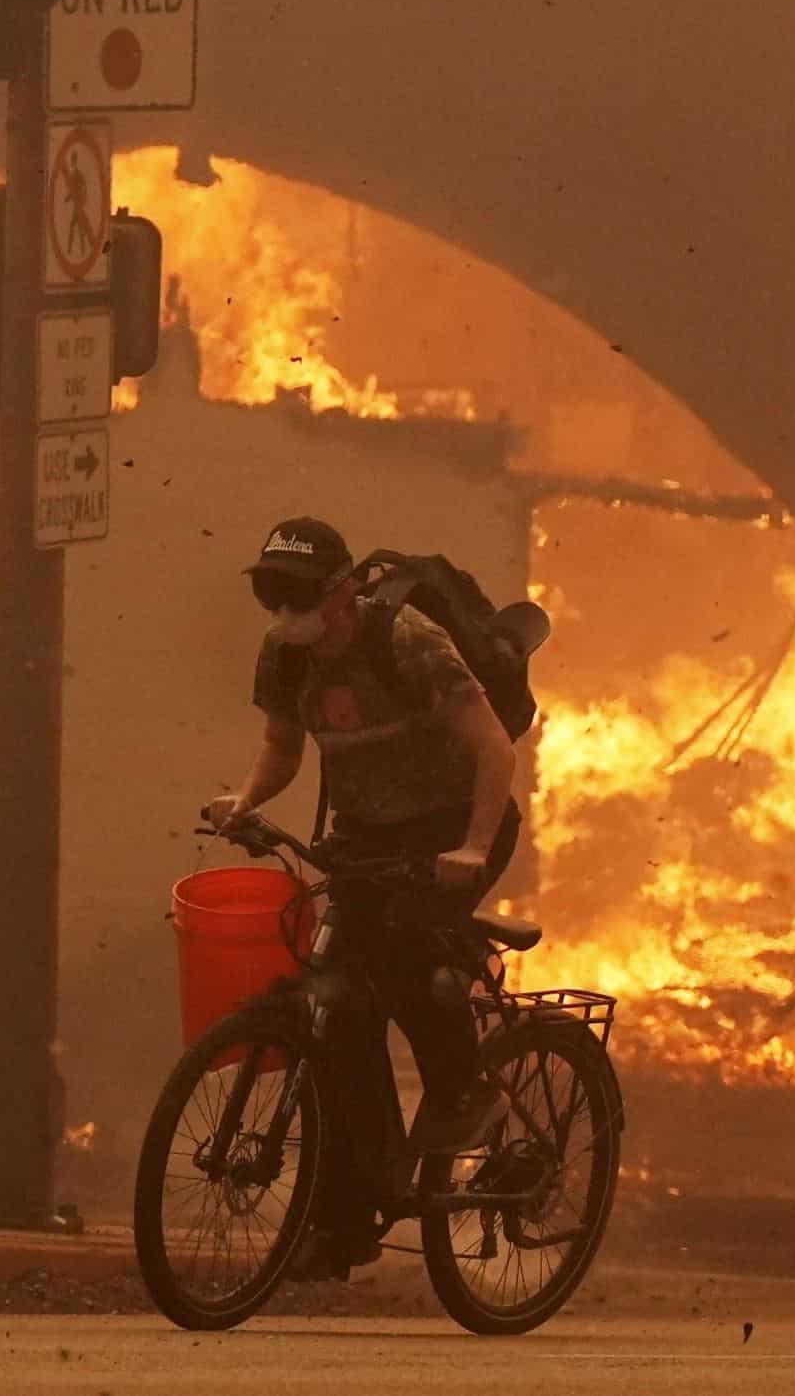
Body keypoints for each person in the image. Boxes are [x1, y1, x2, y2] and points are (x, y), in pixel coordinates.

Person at [201, 515, 522, 1277]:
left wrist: (471, 851)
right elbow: (282, 748)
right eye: (272, 596)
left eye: (298, 594)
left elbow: (494, 750)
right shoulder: (285, 656)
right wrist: (246, 800)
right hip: (366, 833)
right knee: (339, 1020)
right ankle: (349, 1218)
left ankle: (465, 1092)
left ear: (343, 592)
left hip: (455, 825)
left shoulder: (405, 643)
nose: (284, 612)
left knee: (407, 956)